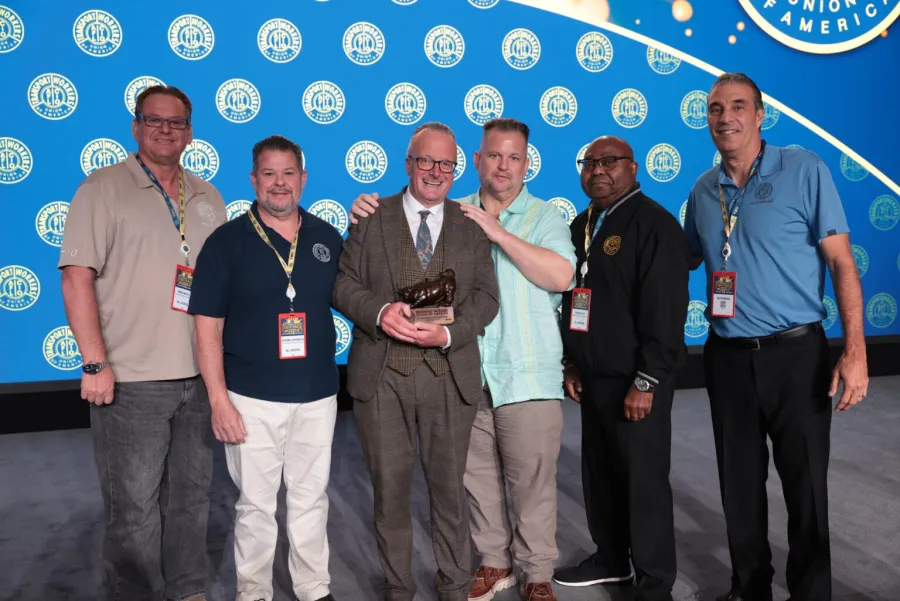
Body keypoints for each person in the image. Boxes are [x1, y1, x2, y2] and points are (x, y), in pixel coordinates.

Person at [348, 118, 577, 601]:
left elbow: (548, 280)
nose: (503, 166)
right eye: (494, 155)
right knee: (460, 485)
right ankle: (480, 566)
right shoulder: (422, 212)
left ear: (526, 164)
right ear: (476, 161)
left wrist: (496, 237)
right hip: (445, 376)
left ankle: (529, 573)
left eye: (514, 158)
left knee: (522, 482)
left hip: (508, 374)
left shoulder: (523, 219)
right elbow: (348, 280)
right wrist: (380, 307)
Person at [683, 72, 869, 601]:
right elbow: (684, 258)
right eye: (715, 109)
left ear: (761, 115)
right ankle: (750, 588)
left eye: (738, 106)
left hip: (795, 355)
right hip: (727, 357)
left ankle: (811, 593)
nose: (725, 117)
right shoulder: (703, 189)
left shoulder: (803, 168)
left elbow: (841, 262)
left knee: (805, 487)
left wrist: (855, 350)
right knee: (738, 486)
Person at [58, 85, 226, 601]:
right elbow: (76, 278)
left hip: (199, 378)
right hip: (131, 380)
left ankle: (189, 588)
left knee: (192, 498)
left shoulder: (207, 196)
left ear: (190, 133)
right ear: (136, 127)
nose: (165, 130)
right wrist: (94, 363)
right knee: (133, 507)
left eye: (176, 123)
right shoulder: (102, 188)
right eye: (154, 120)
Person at [332, 122, 500, 601]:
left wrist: (450, 332)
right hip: (382, 376)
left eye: (446, 163)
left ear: (456, 169)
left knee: (450, 491)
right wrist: (379, 312)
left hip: (449, 375)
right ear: (408, 164)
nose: (435, 171)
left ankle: (454, 585)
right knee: (390, 493)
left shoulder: (471, 223)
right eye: (426, 160)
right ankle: (398, 588)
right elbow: (343, 285)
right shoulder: (370, 216)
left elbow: (486, 297)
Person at [188, 135, 341, 601]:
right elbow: (206, 328)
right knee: (255, 504)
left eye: (288, 173)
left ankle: (314, 587)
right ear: (253, 179)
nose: (279, 183)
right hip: (250, 397)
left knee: (311, 498)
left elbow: (357, 297)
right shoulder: (226, 242)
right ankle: (253, 592)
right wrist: (219, 400)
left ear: (303, 178)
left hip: (317, 393)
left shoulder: (327, 238)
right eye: (269, 174)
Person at [553, 136, 689, 601]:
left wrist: (647, 381)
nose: (597, 170)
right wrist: (572, 361)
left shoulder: (655, 225)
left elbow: (666, 313)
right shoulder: (581, 225)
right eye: (589, 163)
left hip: (638, 381)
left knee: (643, 483)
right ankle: (611, 559)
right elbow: (573, 299)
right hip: (593, 376)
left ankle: (654, 584)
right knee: (601, 474)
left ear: (633, 168)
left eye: (609, 162)